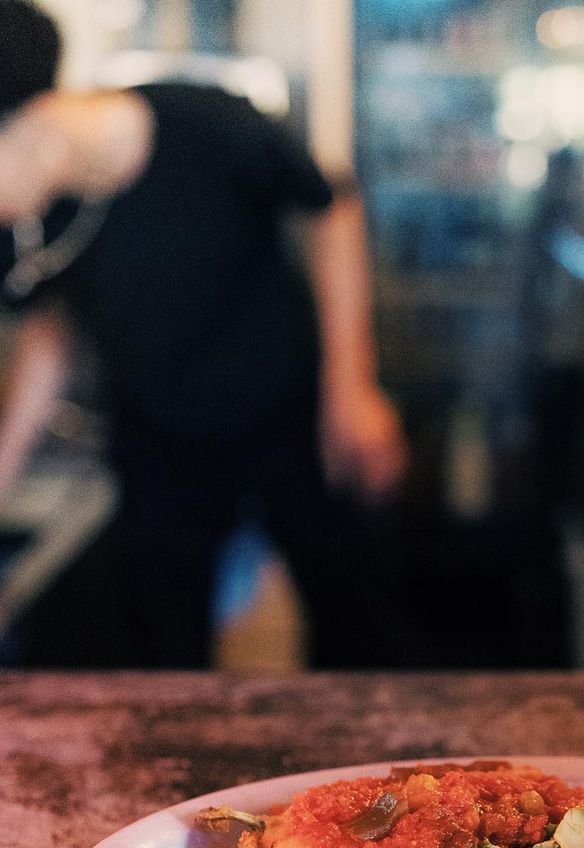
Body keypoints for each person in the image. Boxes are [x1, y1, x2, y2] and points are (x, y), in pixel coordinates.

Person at [0, 0, 410, 667]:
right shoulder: (38, 215)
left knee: (356, 623)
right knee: (164, 651)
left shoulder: (201, 121)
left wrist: (353, 387)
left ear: (29, 125)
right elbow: (52, 337)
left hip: (289, 411)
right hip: (158, 437)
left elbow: (331, 209)